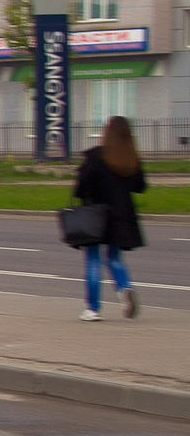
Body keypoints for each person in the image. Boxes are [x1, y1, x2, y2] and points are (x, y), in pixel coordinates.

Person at [74, 115, 147, 322]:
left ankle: (93, 309)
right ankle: (125, 288)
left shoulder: (96, 157)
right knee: (114, 258)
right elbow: (140, 187)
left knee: (93, 260)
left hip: (96, 215)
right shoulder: (130, 158)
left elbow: (82, 186)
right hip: (121, 216)